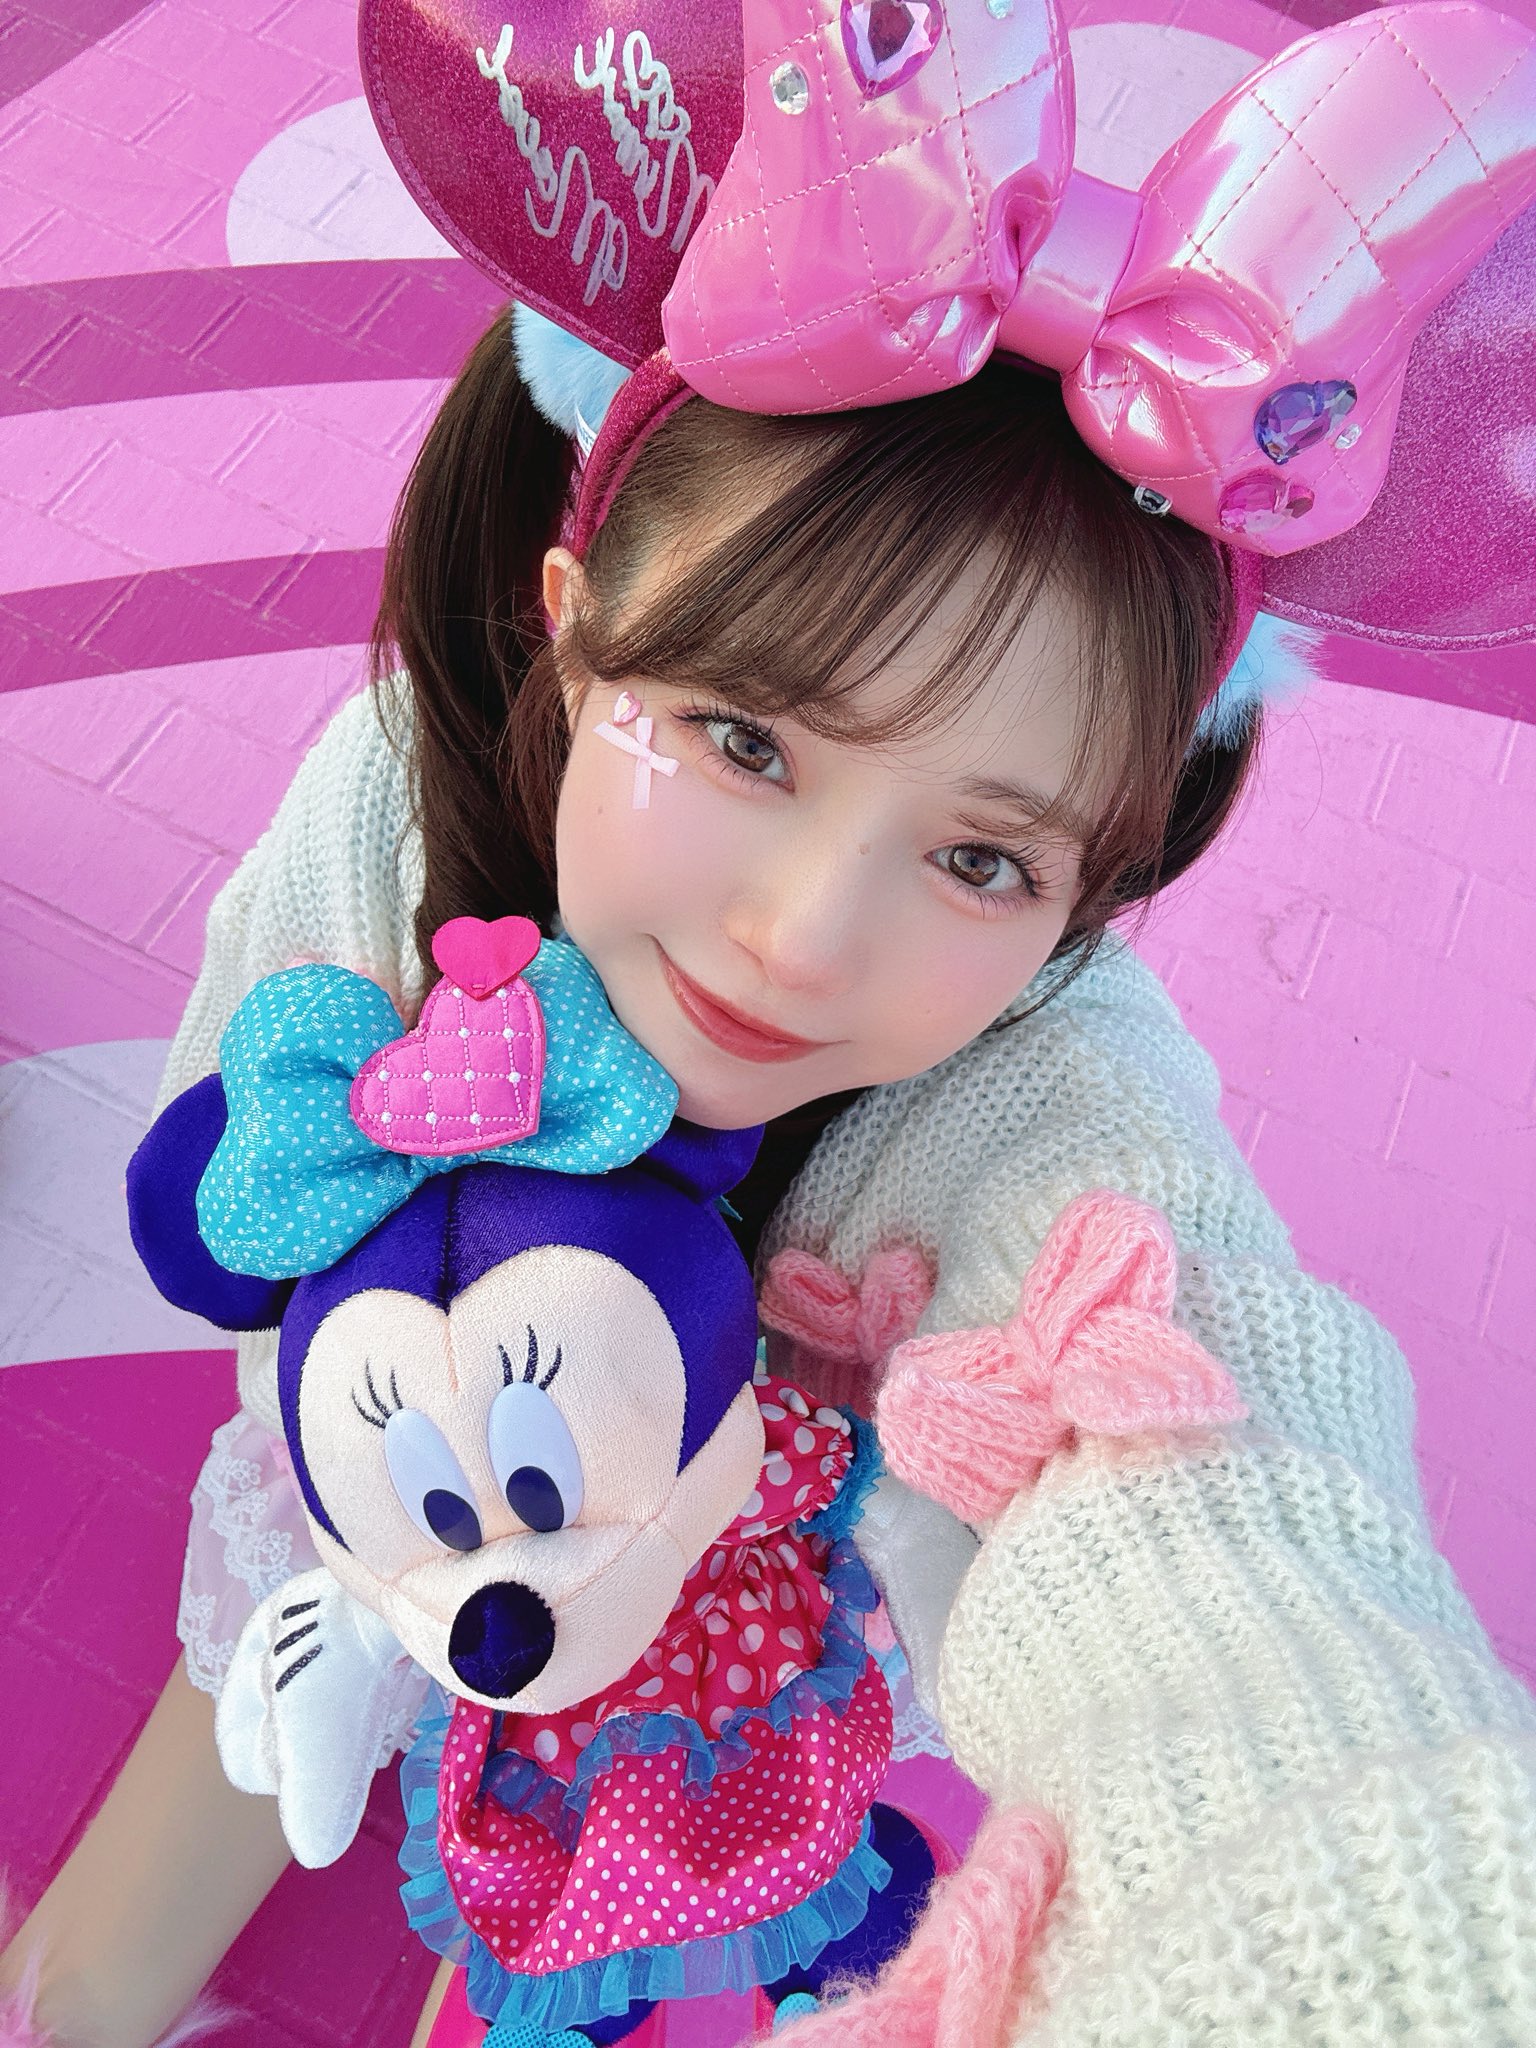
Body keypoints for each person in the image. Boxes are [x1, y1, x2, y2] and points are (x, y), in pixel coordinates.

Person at [7, 0, 1536, 2041]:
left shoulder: (1044, 1092)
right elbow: (241, 1168)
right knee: (105, 1946)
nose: (804, 941)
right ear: (576, 632)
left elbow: (1214, 1472)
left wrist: (1350, 1895)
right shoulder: (392, 811)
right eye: (743, 739)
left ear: (1093, 895)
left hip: (721, 1630)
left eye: (981, 857)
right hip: (384, 1483)